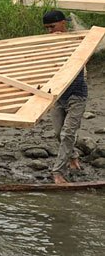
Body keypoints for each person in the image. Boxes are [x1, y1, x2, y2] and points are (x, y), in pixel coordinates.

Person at [43, 9, 87, 184]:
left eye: (52, 27)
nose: (50, 31)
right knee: (58, 133)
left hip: (77, 95)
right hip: (57, 95)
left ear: (63, 23)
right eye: (47, 28)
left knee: (68, 133)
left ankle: (58, 172)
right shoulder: (49, 43)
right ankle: (73, 157)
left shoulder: (78, 42)